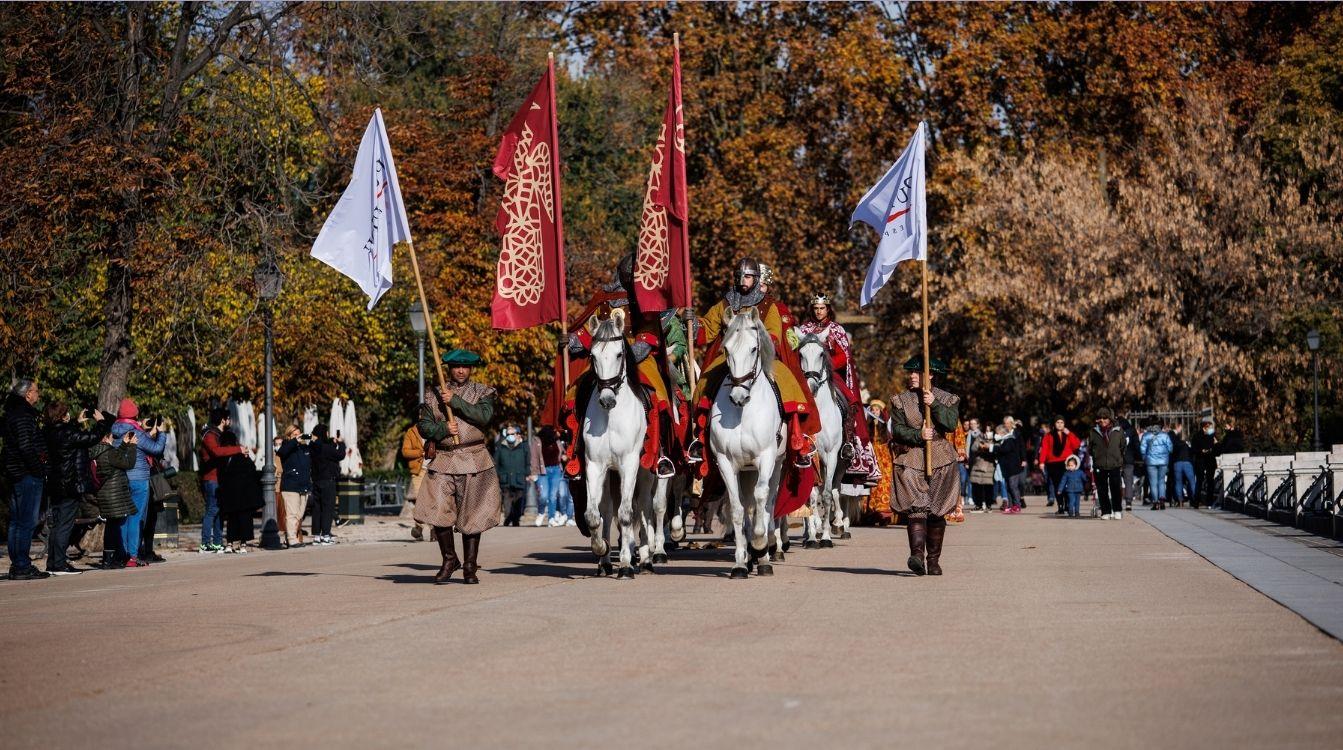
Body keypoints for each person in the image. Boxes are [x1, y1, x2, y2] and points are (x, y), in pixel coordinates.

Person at [554, 253, 679, 479]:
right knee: (576, 391)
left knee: (658, 393)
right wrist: (571, 340)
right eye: (630, 272)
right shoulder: (605, 297)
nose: (632, 276)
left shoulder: (646, 298)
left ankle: (659, 451)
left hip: (639, 357)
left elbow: (649, 333)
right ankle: (577, 452)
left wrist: (631, 355)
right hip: (605, 354)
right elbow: (589, 330)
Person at [687, 257, 819, 470]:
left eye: (747, 276)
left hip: (760, 357)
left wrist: (763, 346)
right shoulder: (725, 304)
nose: (743, 280)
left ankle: (797, 437)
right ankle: (700, 439)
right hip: (730, 357)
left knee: (788, 381)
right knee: (705, 382)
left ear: (756, 279)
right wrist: (693, 324)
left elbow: (774, 332)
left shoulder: (768, 305)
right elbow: (709, 329)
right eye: (739, 276)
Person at [414, 349, 503, 585]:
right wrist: (443, 429)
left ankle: (470, 566)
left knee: (473, 515)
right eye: (456, 366)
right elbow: (423, 426)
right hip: (444, 459)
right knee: (438, 510)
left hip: (475, 458)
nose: (461, 370)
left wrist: (455, 401)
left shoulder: (483, 391)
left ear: (471, 369)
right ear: (449, 369)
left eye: (465, 366)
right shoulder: (432, 395)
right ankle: (449, 559)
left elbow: (484, 417)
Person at [887, 356, 961, 577]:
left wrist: (934, 404)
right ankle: (917, 555)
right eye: (910, 372)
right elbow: (898, 430)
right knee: (916, 508)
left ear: (929, 375)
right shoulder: (900, 400)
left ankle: (934, 561)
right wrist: (918, 435)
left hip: (941, 457)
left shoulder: (948, 399)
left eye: (916, 372)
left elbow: (950, 424)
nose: (911, 376)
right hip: (912, 456)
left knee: (937, 510)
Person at [797, 293, 880, 485]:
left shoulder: (836, 330)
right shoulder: (803, 330)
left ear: (828, 309)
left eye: (822, 308)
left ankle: (848, 443)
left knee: (848, 400)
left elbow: (845, 357)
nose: (819, 312)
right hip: (806, 375)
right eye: (816, 309)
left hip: (829, 375)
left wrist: (827, 365)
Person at [43, 402, 109, 574]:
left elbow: (70, 437)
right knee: (65, 525)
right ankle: (59, 564)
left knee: (57, 525)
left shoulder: (48, 432)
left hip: (56, 484)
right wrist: (101, 422)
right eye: (66, 413)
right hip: (70, 484)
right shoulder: (66, 433)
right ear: (62, 416)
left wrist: (76, 423)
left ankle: (53, 562)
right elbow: (91, 438)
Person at [109, 399, 166, 568]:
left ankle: (123, 553)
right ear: (135, 414)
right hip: (139, 478)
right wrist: (161, 433)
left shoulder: (114, 430)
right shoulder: (136, 432)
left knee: (123, 518)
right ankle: (133, 556)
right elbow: (155, 449)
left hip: (120, 478)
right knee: (136, 518)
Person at [3, 379, 50, 580]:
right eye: (36, 391)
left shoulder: (12, 414)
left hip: (16, 473)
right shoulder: (23, 416)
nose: (38, 395)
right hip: (25, 474)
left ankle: (18, 563)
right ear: (27, 394)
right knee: (26, 521)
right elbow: (25, 446)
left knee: (16, 521)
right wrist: (38, 469)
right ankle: (22, 564)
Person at [89, 429, 138, 568]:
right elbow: (129, 464)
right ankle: (110, 560)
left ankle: (109, 558)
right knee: (113, 527)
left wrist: (124, 444)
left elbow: (116, 460)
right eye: (112, 437)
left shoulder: (98, 451)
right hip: (114, 494)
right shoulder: (109, 452)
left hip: (105, 493)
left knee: (112, 525)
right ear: (106, 438)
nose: (113, 440)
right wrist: (133, 446)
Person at [198, 407, 245, 553]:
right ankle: (205, 543)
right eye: (228, 418)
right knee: (212, 510)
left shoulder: (219, 434)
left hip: (220, 478)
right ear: (223, 420)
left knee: (220, 511)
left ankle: (217, 542)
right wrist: (239, 449)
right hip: (211, 478)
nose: (230, 421)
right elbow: (217, 452)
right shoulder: (209, 435)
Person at [215, 431, 261, 553]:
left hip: (230, 494)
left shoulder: (223, 457)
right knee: (244, 519)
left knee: (231, 519)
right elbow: (252, 470)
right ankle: (243, 544)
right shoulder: (241, 454)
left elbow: (220, 475)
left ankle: (230, 543)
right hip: (244, 494)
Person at [309, 424, 346, 546]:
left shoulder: (312, 447)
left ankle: (316, 536)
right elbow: (340, 455)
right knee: (328, 508)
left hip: (316, 481)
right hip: (328, 481)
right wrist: (341, 443)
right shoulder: (326, 448)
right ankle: (326, 535)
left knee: (317, 509)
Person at [276, 425, 313, 548]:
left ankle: (290, 537)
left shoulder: (304, 448)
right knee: (292, 514)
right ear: (289, 435)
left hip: (304, 485)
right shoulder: (286, 446)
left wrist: (314, 439)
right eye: (295, 434)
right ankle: (292, 539)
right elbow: (281, 452)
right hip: (291, 485)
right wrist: (295, 441)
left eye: (299, 433)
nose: (299, 436)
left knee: (299, 514)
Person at [1086, 408, 1126, 520]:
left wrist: (1119, 457)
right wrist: (1095, 456)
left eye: (1105, 418)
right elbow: (1090, 448)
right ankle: (1106, 511)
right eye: (1101, 418)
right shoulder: (1094, 431)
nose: (1103, 420)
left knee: (1115, 488)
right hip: (1100, 464)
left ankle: (1117, 510)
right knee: (1102, 489)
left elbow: (1123, 446)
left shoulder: (1118, 430)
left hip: (1115, 463)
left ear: (1110, 419)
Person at [1037, 416, 1080, 514]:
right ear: (1054, 424)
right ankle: (1060, 506)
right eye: (1057, 422)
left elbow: (1076, 445)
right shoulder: (1048, 436)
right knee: (1057, 486)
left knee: (1067, 485)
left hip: (1066, 463)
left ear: (1064, 424)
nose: (1060, 424)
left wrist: (1069, 433)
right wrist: (1042, 462)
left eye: (1062, 422)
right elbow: (1044, 449)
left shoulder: (1068, 434)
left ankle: (1068, 505)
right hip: (1053, 463)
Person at [494, 423, 529, 527]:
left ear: (517, 434)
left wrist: (527, 474)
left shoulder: (523, 446)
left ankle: (516, 519)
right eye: (508, 433)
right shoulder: (500, 446)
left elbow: (528, 462)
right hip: (505, 478)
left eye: (512, 433)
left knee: (519, 500)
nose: (510, 435)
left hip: (519, 477)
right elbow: (496, 462)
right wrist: (497, 475)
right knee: (507, 501)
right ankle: (508, 517)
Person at [399, 421, 427, 539]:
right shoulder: (412, 432)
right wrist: (420, 452)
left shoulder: (436, 429)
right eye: (421, 415)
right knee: (420, 499)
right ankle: (421, 526)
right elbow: (405, 451)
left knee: (433, 500)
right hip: (418, 471)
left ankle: (430, 528)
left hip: (435, 469)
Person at [1140, 421, 1173, 510]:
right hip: (1163, 461)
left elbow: (1142, 449)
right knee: (1161, 481)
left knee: (1153, 482)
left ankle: (1155, 502)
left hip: (1151, 462)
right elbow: (1170, 448)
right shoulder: (1165, 435)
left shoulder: (1146, 435)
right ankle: (1162, 500)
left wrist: (1145, 458)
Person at [997, 420, 1026, 514]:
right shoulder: (1004, 440)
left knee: (1013, 486)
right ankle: (1011, 505)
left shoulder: (1010, 439)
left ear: (1003, 433)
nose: (996, 435)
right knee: (1008, 487)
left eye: (998, 433)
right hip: (1007, 468)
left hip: (1013, 468)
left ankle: (1017, 505)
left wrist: (992, 447)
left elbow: (1005, 449)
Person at [968, 429, 997, 513]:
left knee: (988, 485)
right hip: (978, 464)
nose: (987, 432)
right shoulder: (979, 437)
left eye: (989, 430)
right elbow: (973, 448)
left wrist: (988, 446)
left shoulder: (995, 439)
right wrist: (979, 445)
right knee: (976, 484)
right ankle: (978, 505)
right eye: (986, 430)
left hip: (989, 464)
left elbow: (997, 450)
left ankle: (988, 505)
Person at [1191, 418, 1218, 509]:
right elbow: (1193, 449)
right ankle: (1196, 502)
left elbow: (1217, 449)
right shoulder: (1197, 436)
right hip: (1201, 460)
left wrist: (1216, 444)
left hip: (1210, 460)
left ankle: (1209, 502)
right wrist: (1201, 451)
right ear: (1204, 427)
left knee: (1210, 481)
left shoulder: (1212, 436)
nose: (1211, 428)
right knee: (1199, 481)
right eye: (1209, 427)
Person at [1117, 414, 1141, 511]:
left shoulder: (1116, 430)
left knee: (1116, 480)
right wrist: (1139, 457)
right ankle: (1128, 502)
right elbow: (1136, 444)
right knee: (1128, 481)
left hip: (1117, 458)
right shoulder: (1132, 430)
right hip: (1129, 458)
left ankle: (1117, 500)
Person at [1169, 423, 1196, 508]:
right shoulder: (1187, 444)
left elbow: (1172, 453)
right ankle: (1195, 498)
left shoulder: (1175, 444)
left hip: (1177, 463)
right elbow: (1192, 452)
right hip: (1187, 462)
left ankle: (1180, 501)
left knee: (1178, 482)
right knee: (1192, 481)